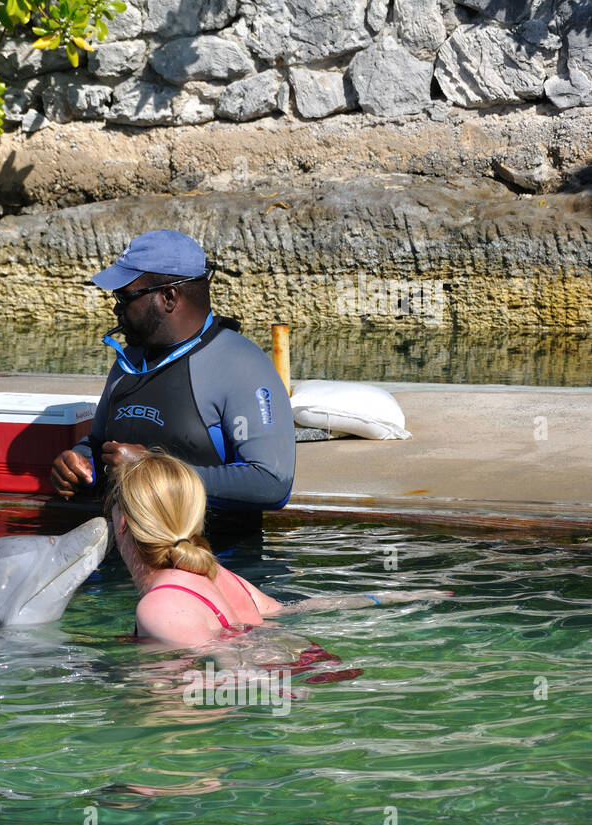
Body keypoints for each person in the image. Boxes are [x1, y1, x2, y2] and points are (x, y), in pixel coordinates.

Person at [51, 230, 294, 541]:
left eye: (125, 297)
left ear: (168, 297)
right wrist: (77, 464)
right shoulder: (130, 360)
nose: (116, 309)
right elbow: (98, 442)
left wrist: (154, 469)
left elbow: (272, 483)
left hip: (213, 563)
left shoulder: (239, 364)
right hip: (125, 557)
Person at [107, 452, 450, 648]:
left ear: (122, 521)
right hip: (310, 666)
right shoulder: (216, 575)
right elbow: (292, 610)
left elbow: (223, 673)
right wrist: (387, 597)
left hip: (268, 695)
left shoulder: (160, 605)